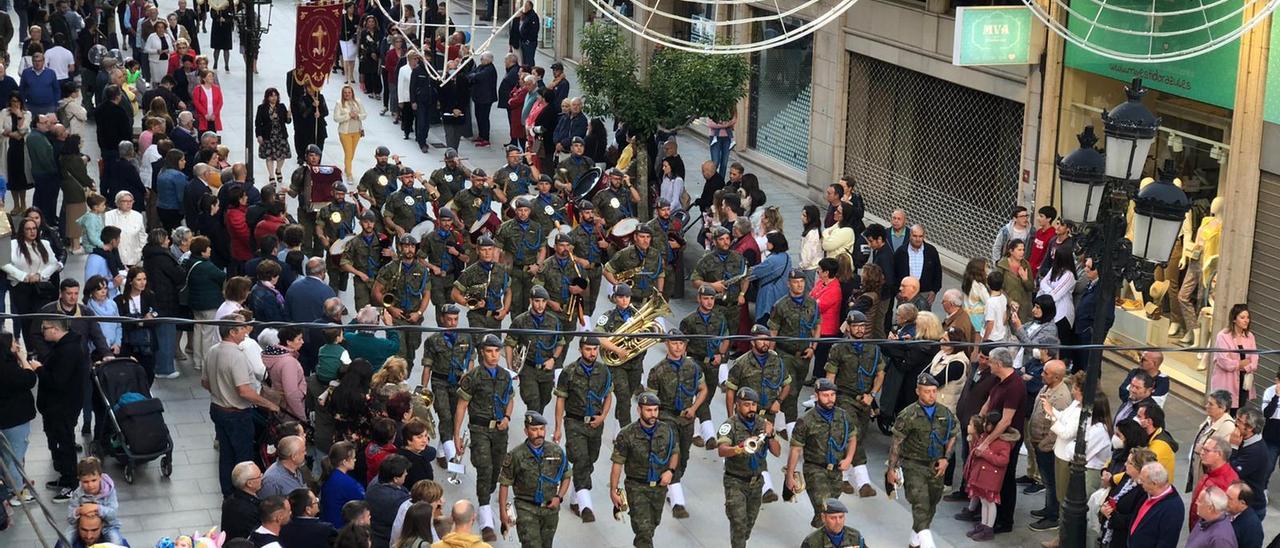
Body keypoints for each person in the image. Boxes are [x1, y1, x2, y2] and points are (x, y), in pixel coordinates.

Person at [205, 313, 281, 497]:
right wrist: (270, 404)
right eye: (242, 327)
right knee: (243, 458)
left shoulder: (212, 350)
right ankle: (244, 495)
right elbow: (244, 391)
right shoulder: (236, 356)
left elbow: (205, 383)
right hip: (236, 413)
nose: (246, 330)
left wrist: (221, 390)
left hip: (217, 409)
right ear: (232, 332)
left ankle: (228, 493)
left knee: (226, 455)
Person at [453, 334, 515, 541]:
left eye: (497, 351)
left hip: (499, 431)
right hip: (479, 430)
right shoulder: (473, 377)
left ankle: (485, 497)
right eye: (490, 351)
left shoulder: (505, 376)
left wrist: (507, 417)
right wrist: (457, 436)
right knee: (485, 467)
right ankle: (486, 517)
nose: (494, 355)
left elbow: (510, 399)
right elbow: (461, 406)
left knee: (495, 471)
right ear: (482, 353)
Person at [887, 373, 959, 548]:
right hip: (913, 465)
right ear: (918, 391)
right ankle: (928, 545)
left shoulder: (944, 412)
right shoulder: (908, 414)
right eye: (927, 391)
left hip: (936, 466)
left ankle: (914, 541)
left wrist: (946, 458)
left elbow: (953, 434)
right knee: (920, 505)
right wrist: (891, 469)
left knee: (931, 506)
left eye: (934, 391)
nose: (931, 395)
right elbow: (897, 442)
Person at [643, 332, 706, 519]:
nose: (677, 347)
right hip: (666, 417)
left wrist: (694, 408)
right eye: (674, 343)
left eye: (681, 343)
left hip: (686, 418)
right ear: (667, 344)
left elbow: (703, 389)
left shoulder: (693, 367)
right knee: (674, 453)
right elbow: (651, 402)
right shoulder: (657, 371)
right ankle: (678, 502)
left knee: (684, 457)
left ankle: (671, 487)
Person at [784, 378, 854, 527]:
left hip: (836, 471)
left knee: (824, 514)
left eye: (832, 395)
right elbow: (795, 449)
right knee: (827, 509)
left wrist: (849, 458)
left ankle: (817, 535)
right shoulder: (806, 420)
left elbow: (852, 437)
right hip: (815, 469)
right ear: (816, 396)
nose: (830, 399)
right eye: (825, 395)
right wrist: (789, 475)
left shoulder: (843, 416)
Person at [714, 387, 778, 548]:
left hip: (756, 482)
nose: (751, 408)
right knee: (738, 524)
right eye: (746, 404)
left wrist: (770, 435)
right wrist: (741, 448)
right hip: (735, 481)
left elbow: (777, 452)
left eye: (754, 405)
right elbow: (722, 451)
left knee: (747, 525)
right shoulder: (730, 425)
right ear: (737, 405)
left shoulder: (763, 423)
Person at [496, 410, 570, 548]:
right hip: (526, 508)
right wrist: (502, 513)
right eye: (534, 430)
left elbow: (566, 475)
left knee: (546, 545)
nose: (539, 433)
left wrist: (559, 497)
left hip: (550, 509)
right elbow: (504, 484)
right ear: (526, 431)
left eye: (542, 429)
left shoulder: (556, 451)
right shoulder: (516, 455)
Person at [0, 331, 38, 505]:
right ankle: (16, 491)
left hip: (6, 419)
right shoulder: (8, 368)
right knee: (15, 455)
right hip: (14, 419)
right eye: (15, 343)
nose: (18, 345)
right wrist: (24, 360)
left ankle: (13, 485)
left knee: (8, 454)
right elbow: (29, 379)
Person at [1098, 447, 1157, 548]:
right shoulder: (1127, 477)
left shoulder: (1144, 490)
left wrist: (1112, 515)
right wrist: (1104, 508)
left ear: (1140, 468)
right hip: (1110, 534)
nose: (1125, 464)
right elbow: (1112, 495)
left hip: (1124, 540)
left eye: (1129, 463)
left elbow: (1135, 519)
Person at [1188, 391, 1238, 491]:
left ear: (1222, 408)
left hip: (1209, 476)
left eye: (1211, 404)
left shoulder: (1227, 426)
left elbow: (1222, 454)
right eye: (1208, 403)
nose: (1207, 406)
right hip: (1198, 469)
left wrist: (1201, 449)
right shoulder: (1210, 419)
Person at [1213, 304, 1257, 414]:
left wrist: (1242, 366)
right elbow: (1224, 362)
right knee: (1223, 413)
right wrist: (1240, 364)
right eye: (1242, 318)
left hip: (1244, 382)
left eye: (1247, 317)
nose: (1246, 320)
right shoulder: (1223, 336)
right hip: (1226, 382)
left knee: (1237, 413)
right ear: (1234, 319)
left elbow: (1254, 360)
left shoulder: (1250, 336)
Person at [1189, 436, 1240, 531]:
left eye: (1206, 450)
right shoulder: (1210, 470)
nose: (1201, 452)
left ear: (1219, 454)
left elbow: (1223, 515)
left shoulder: (1228, 481)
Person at [1229, 410, 1270, 520]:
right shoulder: (1243, 440)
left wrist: (1233, 447)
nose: (1235, 422)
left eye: (1239, 421)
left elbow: (1232, 472)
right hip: (1242, 503)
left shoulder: (1255, 451)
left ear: (1250, 427)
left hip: (1252, 507)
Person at [367, 454, 411, 548]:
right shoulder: (398, 500)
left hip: (374, 532)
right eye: (404, 473)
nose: (406, 474)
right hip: (386, 538)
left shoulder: (375, 482)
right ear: (395, 479)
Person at [320, 442, 365, 529]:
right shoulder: (347, 483)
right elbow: (362, 503)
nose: (355, 460)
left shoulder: (329, 476)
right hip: (340, 530)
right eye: (353, 458)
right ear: (344, 461)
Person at [255, 88, 291, 184]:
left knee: (282, 156)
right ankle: (271, 175)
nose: (274, 98)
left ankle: (278, 170)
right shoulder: (262, 108)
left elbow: (287, 122)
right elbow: (258, 123)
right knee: (269, 157)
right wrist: (259, 135)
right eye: (271, 96)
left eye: (275, 95)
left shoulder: (281, 107)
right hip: (268, 135)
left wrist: (288, 116)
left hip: (280, 135)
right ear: (267, 97)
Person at [221, 461, 264, 540]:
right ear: (249, 483)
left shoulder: (230, 500)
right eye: (259, 476)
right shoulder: (249, 510)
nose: (262, 477)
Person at [333, 84, 365, 183]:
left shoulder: (357, 102)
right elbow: (336, 118)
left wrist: (358, 116)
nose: (347, 94)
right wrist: (348, 115)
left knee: (352, 154)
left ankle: (347, 169)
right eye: (345, 93)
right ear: (342, 94)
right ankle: (349, 174)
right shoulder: (339, 103)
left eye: (349, 92)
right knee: (348, 153)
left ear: (352, 93)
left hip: (356, 131)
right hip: (345, 132)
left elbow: (364, 114)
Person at [105, 191, 146, 266]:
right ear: (118, 203)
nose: (128, 203)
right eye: (125, 201)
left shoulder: (138, 216)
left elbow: (142, 235)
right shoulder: (109, 216)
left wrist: (141, 251)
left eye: (131, 201)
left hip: (134, 257)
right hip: (116, 257)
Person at [1227, 481, 1263, 548]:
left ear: (1242, 504)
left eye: (1229, 499)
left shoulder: (1252, 527)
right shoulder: (1228, 511)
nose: (1225, 500)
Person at [192, 69, 223, 133]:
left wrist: (214, 114)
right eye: (209, 76)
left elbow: (220, 102)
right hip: (202, 118)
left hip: (213, 118)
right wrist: (205, 114)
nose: (211, 78)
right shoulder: (197, 89)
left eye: (212, 76)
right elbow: (196, 102)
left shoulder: (216, 88)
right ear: (204, 79)